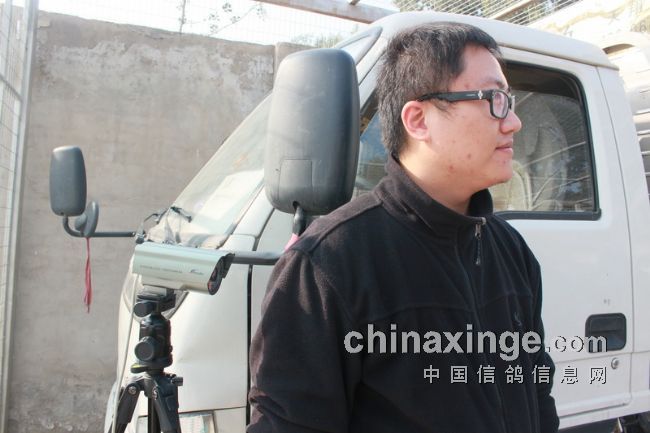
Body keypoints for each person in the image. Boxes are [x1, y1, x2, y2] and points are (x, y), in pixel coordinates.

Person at [248, 21, 559, 433]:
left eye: (509, 100)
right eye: (493, 99)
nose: (514, 122)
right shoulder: (329, 265)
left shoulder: (510, 250)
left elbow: (537, 392)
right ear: (418, 120)